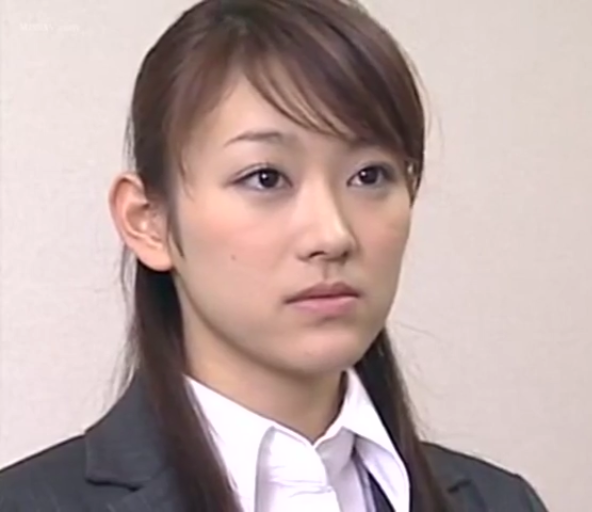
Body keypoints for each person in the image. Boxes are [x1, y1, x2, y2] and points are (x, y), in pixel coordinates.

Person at [0, 0, 549, 511]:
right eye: (265, 178)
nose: (332, 234)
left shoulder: (500, 501)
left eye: (369, 175)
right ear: (148, 221)